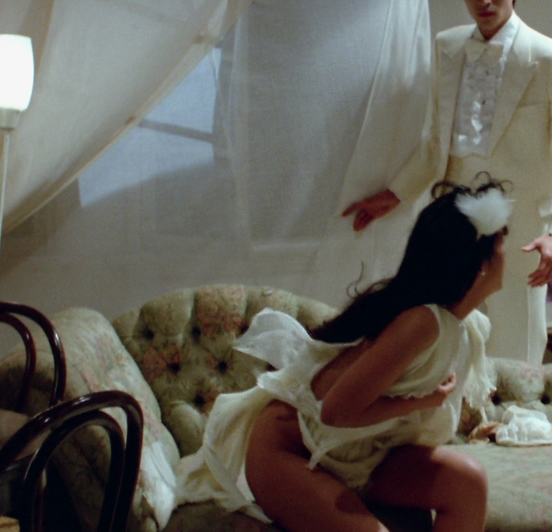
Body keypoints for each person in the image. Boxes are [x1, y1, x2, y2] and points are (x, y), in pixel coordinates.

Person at [175, 179, 512, 532]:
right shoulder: (422, 323)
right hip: (291, 453)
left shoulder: (462, 324)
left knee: (468, 483)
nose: (508, 249)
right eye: (501, 242)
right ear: (480, 265)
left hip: (359, 454)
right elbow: (336, 411)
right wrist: (421, 402)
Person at [343, 0, 552, 363]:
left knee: (516, 342)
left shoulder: (549, 58)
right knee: (447, 338)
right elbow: (436, 142)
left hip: (521, 228)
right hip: (453, 218)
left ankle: (514, 405)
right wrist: (395, 194)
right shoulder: (448, 47)